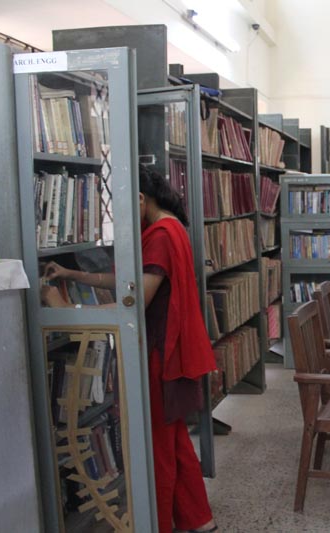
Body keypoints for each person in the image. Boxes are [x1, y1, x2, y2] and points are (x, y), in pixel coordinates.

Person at [42, 168, 218, 533]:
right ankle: (199, 519)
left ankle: (158, 524)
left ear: (141, 198)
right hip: (174, 351)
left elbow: (134, 302)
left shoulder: (161, 235)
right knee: (174, 439)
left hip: (161, 355)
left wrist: (68, 308)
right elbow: (129, 283)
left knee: (157, 447)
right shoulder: (173, 228)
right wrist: (73, 275)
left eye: (123, 206)